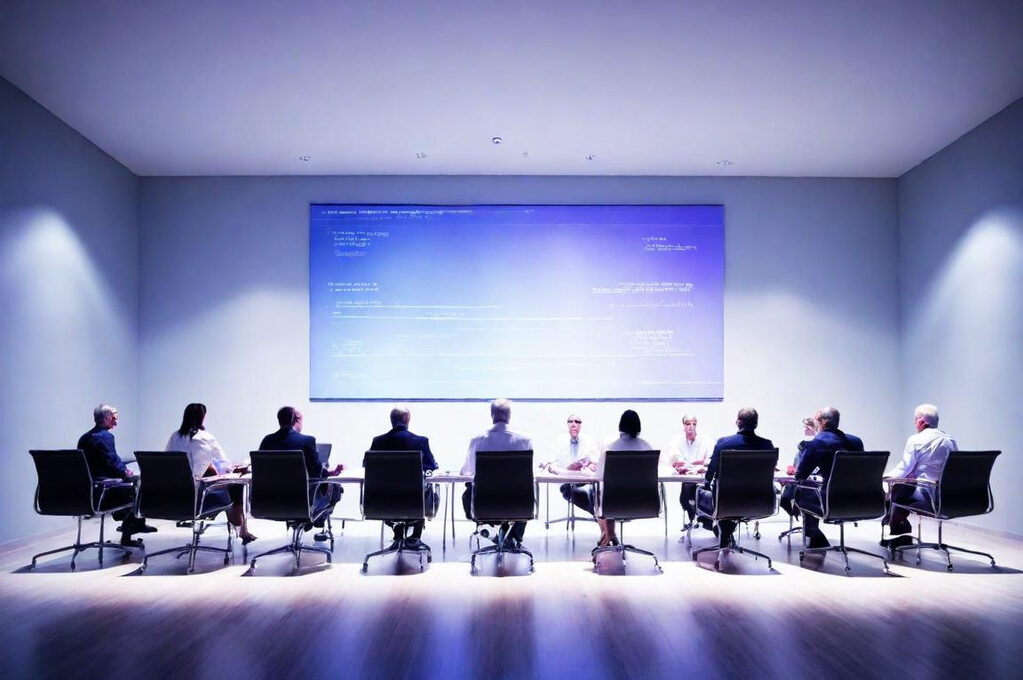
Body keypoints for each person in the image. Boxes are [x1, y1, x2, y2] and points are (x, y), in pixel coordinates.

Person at [166, 403, 257, 544]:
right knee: (236, 485)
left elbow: (168, 461)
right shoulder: (205, 438)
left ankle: (239, 524)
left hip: (174, 498)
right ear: (202, 418)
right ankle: (241, 528)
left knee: (211, 472)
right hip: (199, 499)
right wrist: (237, 467)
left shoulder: (174, 437)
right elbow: (225, 465)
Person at [259, 406, 343, 540]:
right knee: (336, 488)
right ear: (297, 420)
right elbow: (316, 474)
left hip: (269, 504)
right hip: (300, 504)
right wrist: (328, 473)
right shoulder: (307, 441)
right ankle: (317, 521)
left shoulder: (267, 441)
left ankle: (308, 522)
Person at [76, 404, 155, 547]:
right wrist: (126, 472)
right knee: (141, 489)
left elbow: (104, 461)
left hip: (88, 490)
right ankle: (128, 532)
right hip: (105, 491)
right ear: (106, 417)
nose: (116, 421)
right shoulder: (104, 436)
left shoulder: (84, 438)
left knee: (134, 485)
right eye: (114, 417)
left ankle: (137, 524)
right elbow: (111, 461)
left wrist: (122, 469)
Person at [881, 404, 958, 548]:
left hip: (927, 496)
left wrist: (884, 478)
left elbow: (904, 469)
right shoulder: (950, 440)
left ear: (922, 421)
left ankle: (896, 529)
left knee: (896, 487)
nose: (914, 423)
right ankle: (900, 525)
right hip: (949, 497)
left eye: (916, 419)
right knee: (904, 485)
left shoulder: (916, 439)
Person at [461, 399, 533, 548]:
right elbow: (529, 474)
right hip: (517, 505)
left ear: (492, 414)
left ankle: (492, 532)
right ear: (509, 415)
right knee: (525, 490)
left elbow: (465, 472)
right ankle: (512, 538)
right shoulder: (524, 440)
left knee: (467, 493)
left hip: (485, 503)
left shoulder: (478, 439)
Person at [699, 407, 774, 549]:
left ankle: (724, 535)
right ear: (756, 424)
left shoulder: (723, 443)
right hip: (758, 502)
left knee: (716, 492)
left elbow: (710, 473)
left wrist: (706, 483)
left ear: (738, 422)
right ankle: (726, 535)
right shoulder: (767, 445)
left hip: (727, 502)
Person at [366, 405, 439, 550]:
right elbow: (432, 465)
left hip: (383, 503)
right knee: (423, 491)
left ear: (391, 420)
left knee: (395, 495)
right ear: (408, 420)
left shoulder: (378, 442)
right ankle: (415, 538)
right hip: (414, 502)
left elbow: (368, 465)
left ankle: (398, 535)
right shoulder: (420, 441)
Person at [792, 406, 865, 549]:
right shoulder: (856, 442)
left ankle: (813, 535)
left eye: (815, 421)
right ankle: (815, 537)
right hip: (858, 500)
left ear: (822, 422)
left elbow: (800, 475)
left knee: (799, 492)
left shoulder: (817, 443)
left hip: (830, 501)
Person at [597, 409, 656, 547]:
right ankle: (611, 535)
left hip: (614, 505)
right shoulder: (647, 448)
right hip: (643, 505)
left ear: (621, 426)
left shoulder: (612, 449)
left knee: (600, 493)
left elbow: (599, 476)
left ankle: (609, 534)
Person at [542, 413, 599, 519]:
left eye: (577, 422)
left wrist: (589, 464)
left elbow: (596, 462)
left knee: (596, 488)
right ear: (567, 424)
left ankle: (598, 511)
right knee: (569, 491)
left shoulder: (589, 440)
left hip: (584, 479)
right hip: (566, 481)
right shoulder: (559, 441)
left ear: (580, 425)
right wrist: (566, 468)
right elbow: (551, 463)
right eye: (571, 421)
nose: (574, 424)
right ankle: (593, 510)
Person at [666, 413, 712, 528]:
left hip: (701, 477)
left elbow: (710, 459)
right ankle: (695, 516)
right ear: (683, 425)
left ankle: (699, 517)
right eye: (688, 423)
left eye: (694, 424)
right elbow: (675, 460)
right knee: (687, 491)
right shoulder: (677, 439)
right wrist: (690, 465)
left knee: (695, 491)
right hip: (686, 477)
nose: (691, 426)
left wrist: (699, 465)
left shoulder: (705, 439)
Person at [779, 414, 819, 518]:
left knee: (787, 497)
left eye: (807, 427)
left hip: (809, 486)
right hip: (804, 480)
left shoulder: (815, 444)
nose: (805, 429)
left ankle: (795, 512)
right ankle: (795, 512)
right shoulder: (804, 446)